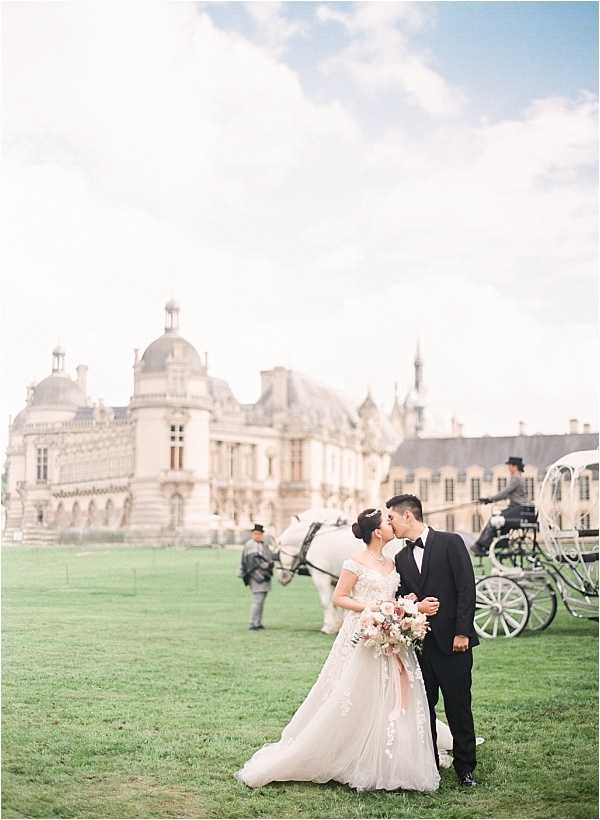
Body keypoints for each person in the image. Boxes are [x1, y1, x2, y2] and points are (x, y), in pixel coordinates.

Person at [235, 508, 441, 792]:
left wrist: (405, 605)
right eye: (386, 522)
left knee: (393, 693)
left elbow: (392, 596)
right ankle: (350, 752)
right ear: (377, 532)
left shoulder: (393, 563)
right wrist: (376, 609)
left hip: (390, 633)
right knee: (357, 691)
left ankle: (391, 752)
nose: (391, 524)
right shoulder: (354, 562)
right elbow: (340, 597)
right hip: (363, 632)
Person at [387, 494, 479, 788]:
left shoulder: (451, 542)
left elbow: (467, 588)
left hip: (454, 644)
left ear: (408, 516)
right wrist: (410, 603)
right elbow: (401, 598)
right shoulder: (399, 558)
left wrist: (462, 632)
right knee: (423, 709)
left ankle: (466, 769)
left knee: (459, 707)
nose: (390, 524)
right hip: (420, 648)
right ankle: (429, 765)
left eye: (392, 518)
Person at [472, 456, 528, 556]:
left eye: (509, 466)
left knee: (494, 520)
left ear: (514, 466)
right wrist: (489, 500)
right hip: (518, 509)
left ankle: (481, 545)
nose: (508, 468)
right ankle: (498, 542)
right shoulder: (519, 477)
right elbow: (506, 495)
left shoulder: (516, 478)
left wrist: (489, 499)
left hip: (518, 509)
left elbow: (505, 493)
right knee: (498, 519)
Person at [240, 524, 277, 631]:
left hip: (265, 576)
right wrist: (267, 565)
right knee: (257, 600)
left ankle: (258, 622)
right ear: (252, 534)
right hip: (255, 576)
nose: (258, 535)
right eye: (256, 533)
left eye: (260, 534)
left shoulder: (263, 544)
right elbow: (253, 562)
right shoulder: (250, 545)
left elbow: (270, 556)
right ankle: (253, 623)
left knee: (261, 601)